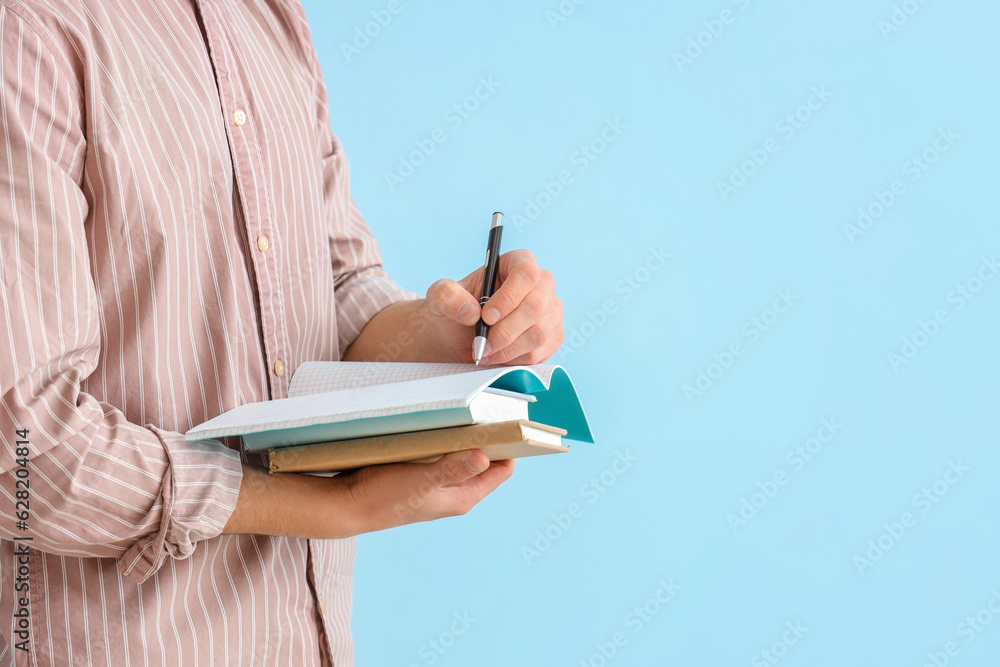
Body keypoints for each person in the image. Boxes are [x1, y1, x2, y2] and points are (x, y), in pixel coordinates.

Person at [0, 1, 564, 664]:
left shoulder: (271, 17)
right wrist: (330, 505)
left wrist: (451, 329)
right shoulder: (29, 30)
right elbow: (23, 447)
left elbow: (339, 291)